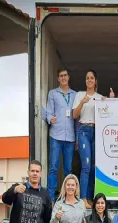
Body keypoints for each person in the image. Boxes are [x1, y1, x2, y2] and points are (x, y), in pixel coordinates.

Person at [72, 70, 105, 209]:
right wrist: (82, 102)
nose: (89, 80)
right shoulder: (80, 95)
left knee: (93, 167)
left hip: (96, 131)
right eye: (87, 78)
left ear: (95, 81)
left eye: (92, 78)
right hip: (84, 130)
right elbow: (74, 115)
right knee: (85, 166)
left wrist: (109, 100)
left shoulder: (99, 97)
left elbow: (108, 111)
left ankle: (90, 198)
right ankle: (83, 198)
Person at [46, 67, 77, 202]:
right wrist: (49, 118)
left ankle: (67, 198)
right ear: (58, 78)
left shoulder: (75, 95)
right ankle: (51, 198)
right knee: (53, 167)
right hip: (56, 135)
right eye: (61, 76)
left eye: (65, 75)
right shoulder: (53, 93)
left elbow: (77, 116)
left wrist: (77, 138)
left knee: (68, 169)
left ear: (68, 77)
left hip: (70, 136)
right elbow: (48, 112)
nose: (63, 78)